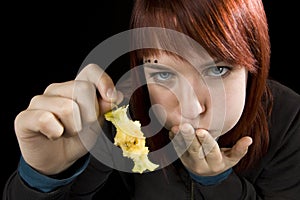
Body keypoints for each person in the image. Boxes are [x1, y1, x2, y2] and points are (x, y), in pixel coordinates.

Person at [3, 0, 300, 199]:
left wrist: (218, 184)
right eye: (163, 75)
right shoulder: (121, 114)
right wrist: (44, 177)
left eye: (218, 69)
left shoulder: (290, 119)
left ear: (254, 63)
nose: (193, 109)